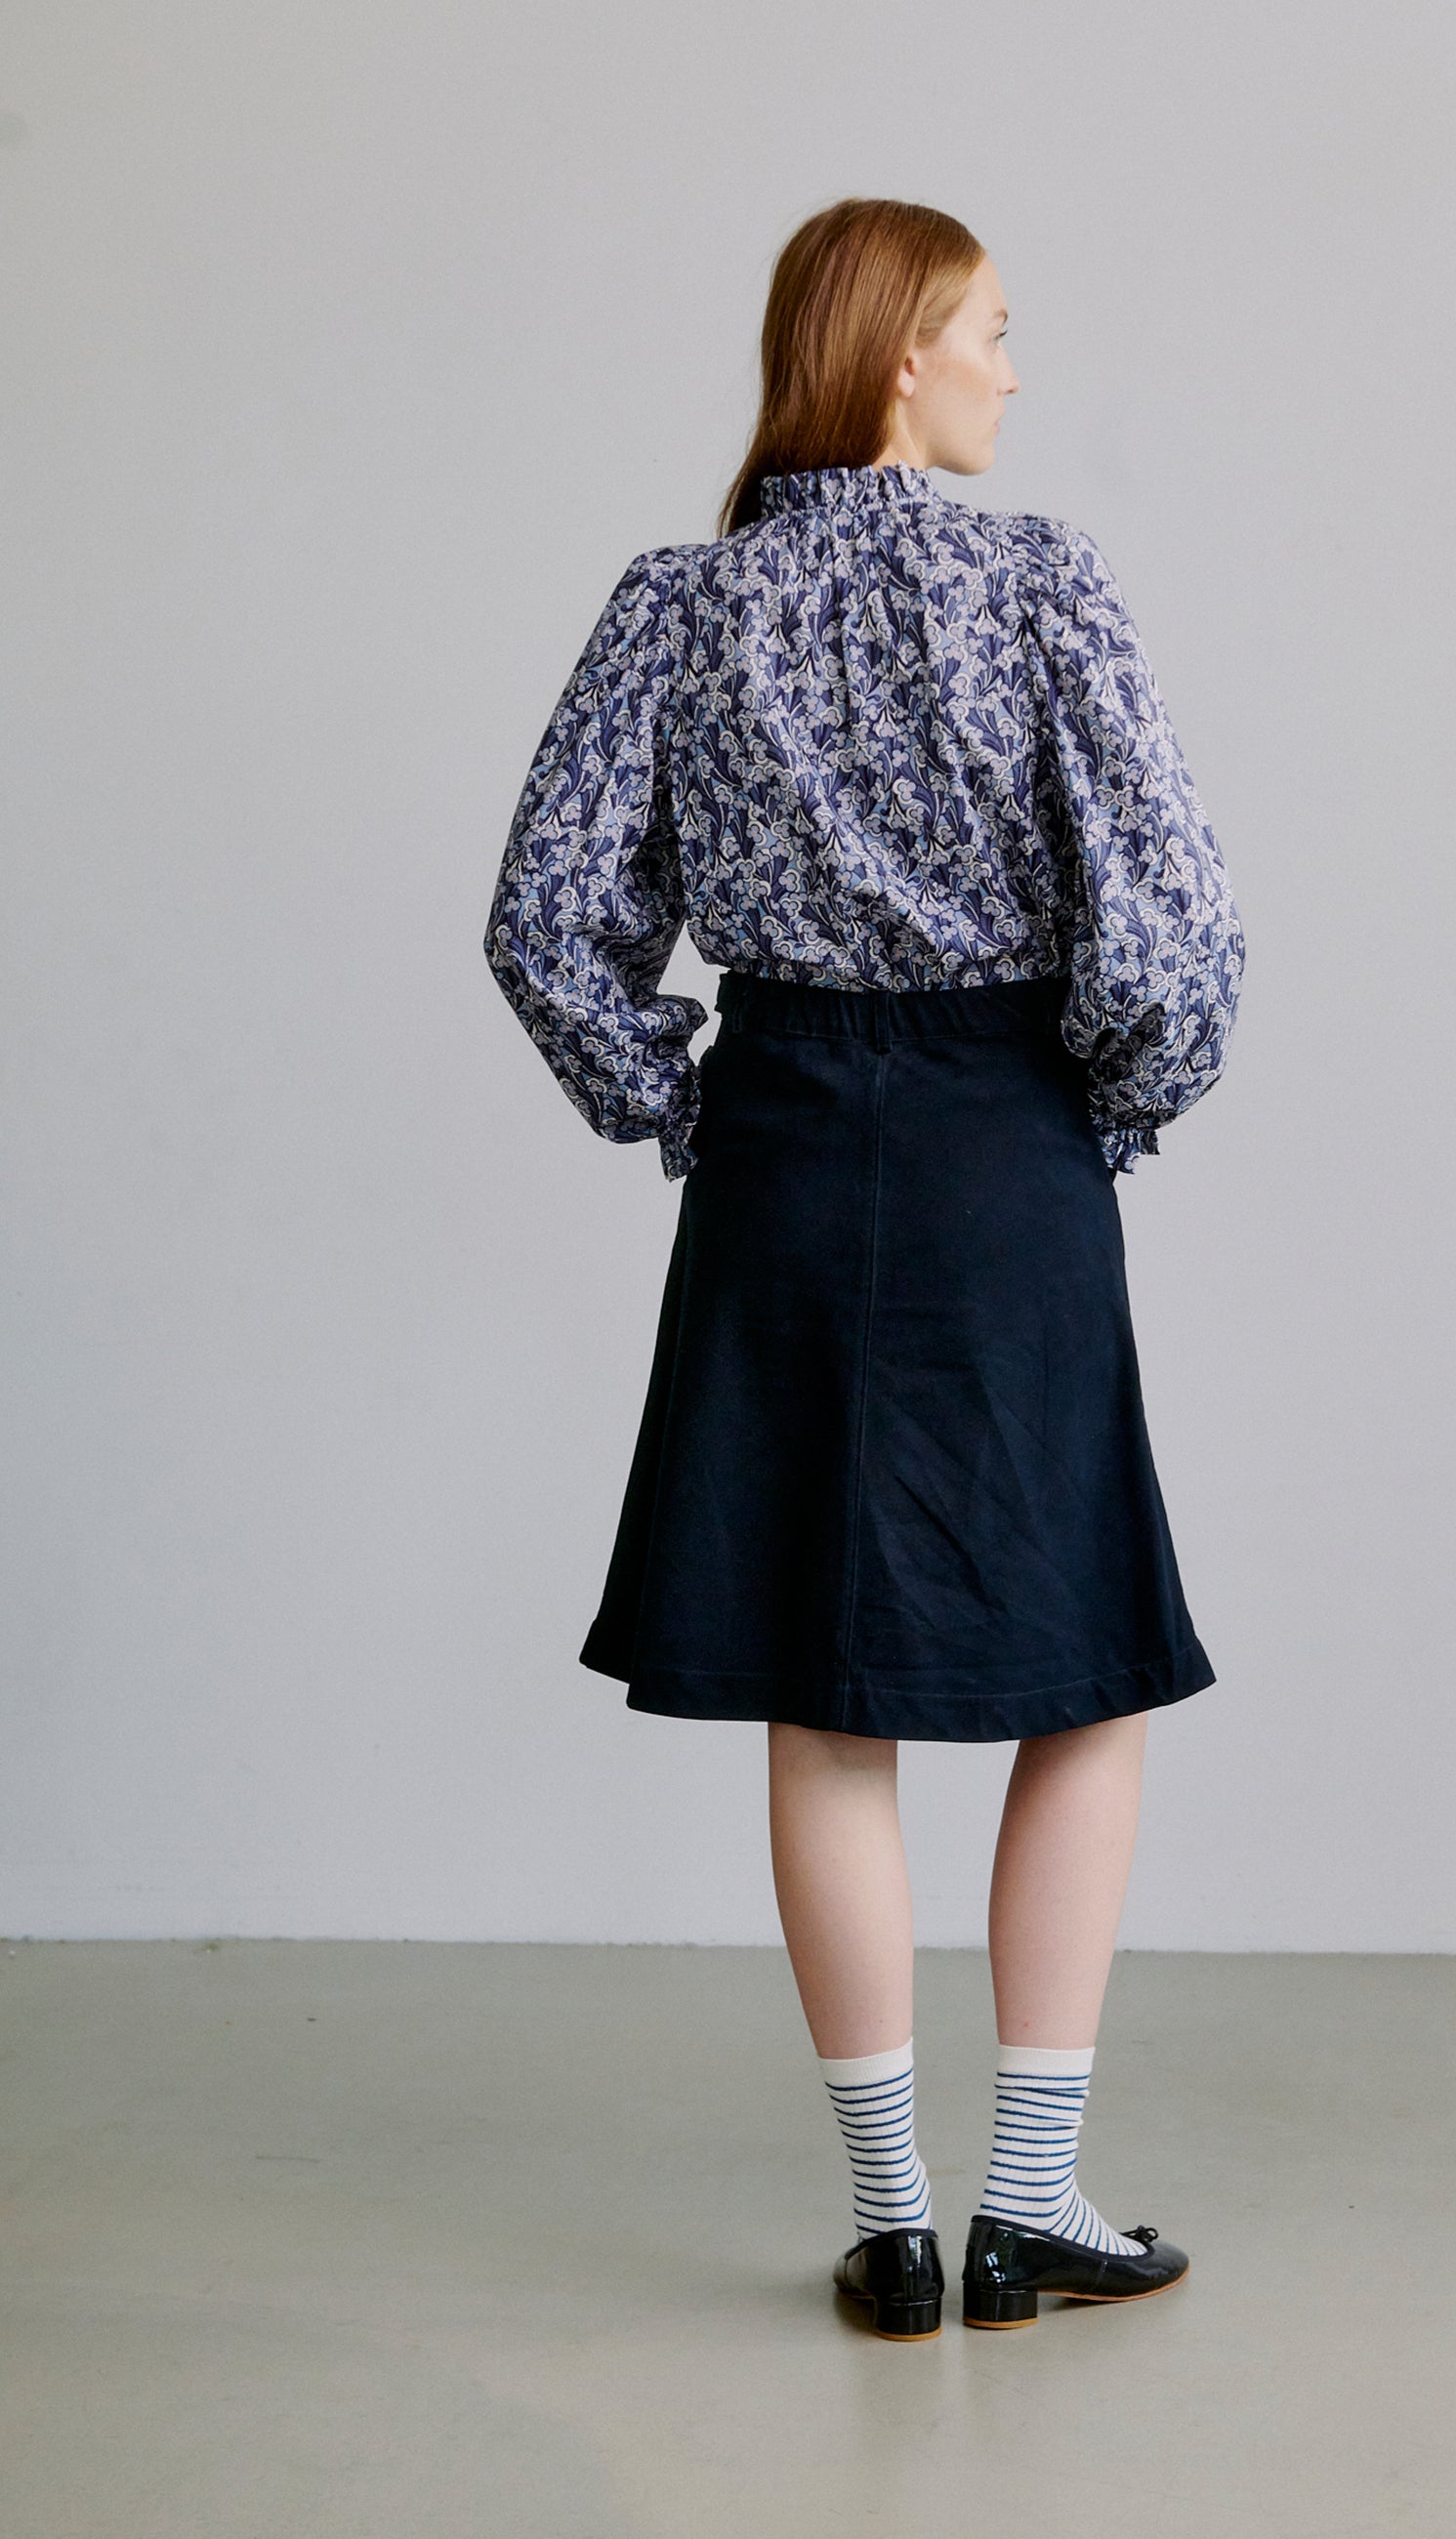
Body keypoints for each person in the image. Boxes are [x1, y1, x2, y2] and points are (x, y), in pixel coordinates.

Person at [484, 196, 1244, 2340]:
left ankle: (896, 2224)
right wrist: (1096, 1104)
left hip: (786, 1152)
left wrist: (682, 1095)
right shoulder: (1039, 587)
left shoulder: (677, 602)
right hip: (1006, 1148)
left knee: (827, 1697)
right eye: (995, 329)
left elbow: (548, 924)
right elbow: (1174, 938)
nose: (1016, 365)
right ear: (901, 352)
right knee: (1080, 1663)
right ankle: (1033, 2199)